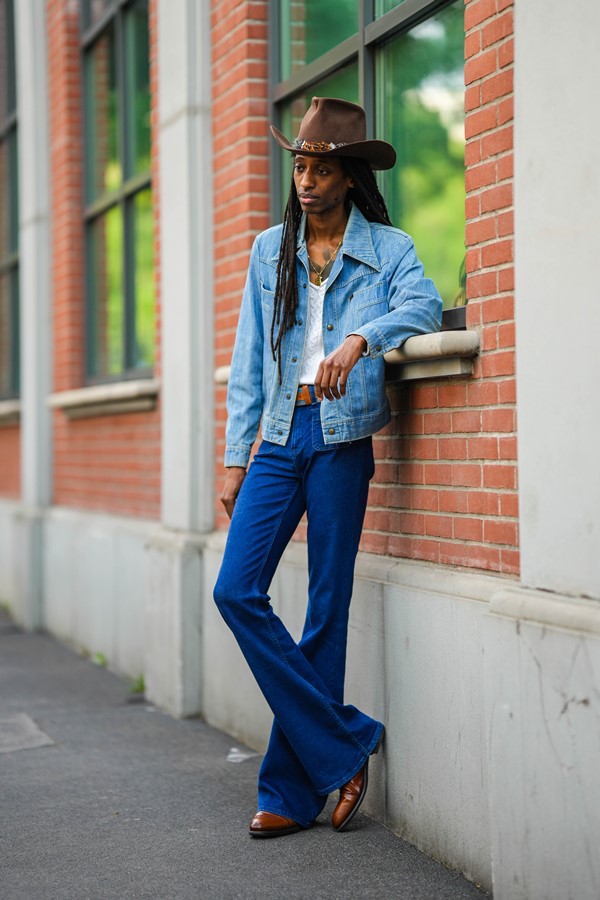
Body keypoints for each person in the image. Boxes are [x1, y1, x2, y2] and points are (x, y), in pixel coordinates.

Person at [214, 97, 442, 838]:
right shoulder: (267, 250)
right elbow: (250, 359)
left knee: (324, 610)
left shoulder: (389, 250)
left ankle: (287, 790)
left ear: (347, 176)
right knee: (236, 590)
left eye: (320, 168)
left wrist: (361, 339)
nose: (306, 180)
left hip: (343, 437)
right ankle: (346, 742)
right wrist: (233, 456)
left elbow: (426, 306)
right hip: (281, 436)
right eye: (300, 167)